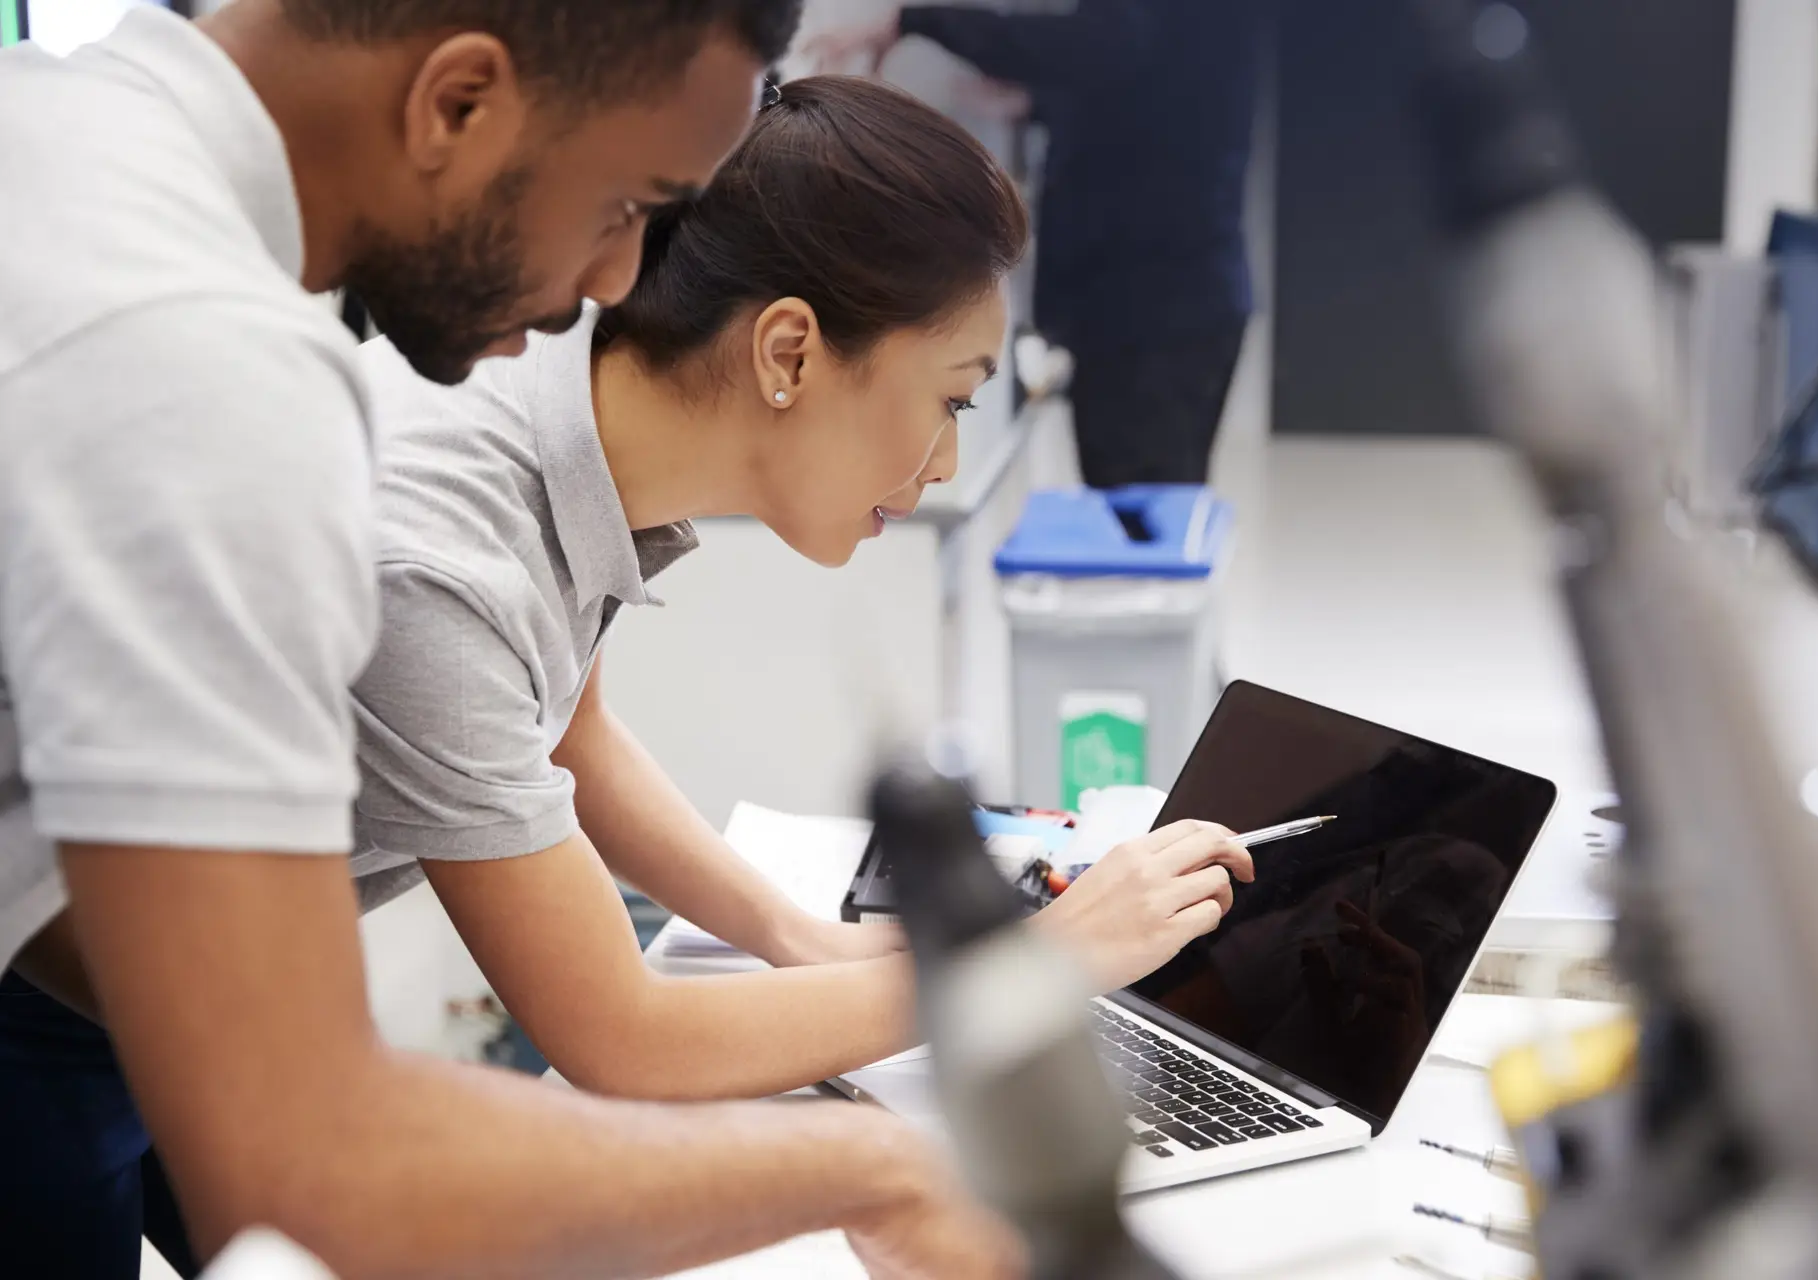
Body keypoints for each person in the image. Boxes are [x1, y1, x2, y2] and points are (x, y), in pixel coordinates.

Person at [0, 3, 1026, 1278]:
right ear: (460, 101)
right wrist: (892, 1162)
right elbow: (316, 1155)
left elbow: (564, 727)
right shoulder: (218, 378)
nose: (613, 286)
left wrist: (796, 941)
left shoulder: (58, 135)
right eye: (625, 206)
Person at [346, 74, 1257, 1103]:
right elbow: (624, 1034)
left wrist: (796, 936)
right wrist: (1033, 963)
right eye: (951, 398)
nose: (950, 459)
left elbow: (569, 727)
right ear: (789, 351)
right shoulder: (447, 550)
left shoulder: (563, 373)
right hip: (140, 987)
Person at [809, 0, 1270, 489]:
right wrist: (1038, 105)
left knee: (1140, 515)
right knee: (1141, 511)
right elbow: (1157, 87)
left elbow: (1104, 45)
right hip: (1161, 304)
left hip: (1158, 312)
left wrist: (916, 21)